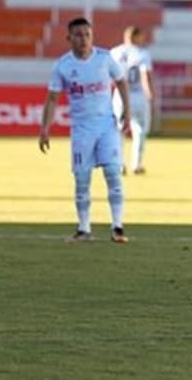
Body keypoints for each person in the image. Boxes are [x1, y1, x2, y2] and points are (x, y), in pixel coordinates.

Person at [39, 17, 133, 244]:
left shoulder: (104, 58)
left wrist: (127, 111)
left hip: (107, 127)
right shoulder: (63, 65)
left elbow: (121, 81)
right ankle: (84, 229)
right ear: (69, 38)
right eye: (78, 35)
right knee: (82, 179)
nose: (84, 39)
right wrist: (45, 129)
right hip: (82, 131)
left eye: (87, 35)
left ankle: (117, 227)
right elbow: (52, 98)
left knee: (113, 173)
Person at [111, 27, 155, 175]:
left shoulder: (115, 52)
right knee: (140, 130)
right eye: (141, 36)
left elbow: (108, 75)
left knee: (118, 131)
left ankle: (119, 164)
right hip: (138, 96)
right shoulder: (142, 54)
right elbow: (145, 75)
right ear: (136, 37)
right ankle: (136, 164)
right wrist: (150, 94)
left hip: (120, 96)